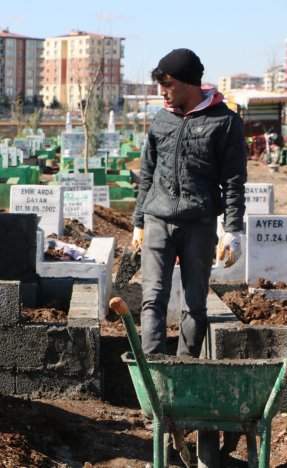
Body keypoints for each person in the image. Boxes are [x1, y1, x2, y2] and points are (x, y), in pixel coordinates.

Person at [131, 48, 247, 358]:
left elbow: (234, 179)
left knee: (194, 303)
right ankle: (153, 372)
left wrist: (233, 229)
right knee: (152, 298)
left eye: (167, 85)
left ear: (189, 83)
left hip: (200, 223)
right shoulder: (161, 119)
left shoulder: (225, 121)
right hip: (157, 220)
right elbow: (148, 173)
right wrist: (139, 222)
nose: (163, 93)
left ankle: (185, 369)